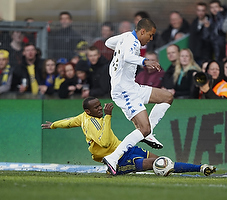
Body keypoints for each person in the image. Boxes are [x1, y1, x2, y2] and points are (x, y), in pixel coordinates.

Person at [41, 97, 216, 176]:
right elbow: (105, 141)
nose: (100, 109)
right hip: (118, 160)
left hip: (126, 148)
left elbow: (69, 121)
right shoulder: (92, 123)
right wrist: (108, 117)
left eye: (100, 106)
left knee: (164, 161)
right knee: (158, 164)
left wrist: (54, 125)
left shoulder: (83, 117)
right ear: (88, 111)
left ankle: (200, 168)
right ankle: (114, 169)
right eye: (97, 108)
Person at [104, 18, 173, 175]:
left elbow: (108, 42)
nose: (151, 39)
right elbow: (127, 56)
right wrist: (145, 60)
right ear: (142, 31)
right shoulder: (133, 42)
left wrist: (121, 45)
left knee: (167, 97)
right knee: (143, 128)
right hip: (124, 91)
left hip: (132, 87)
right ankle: (113, 158)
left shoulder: (126, 37)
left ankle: (148, 135)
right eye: (150, 35)